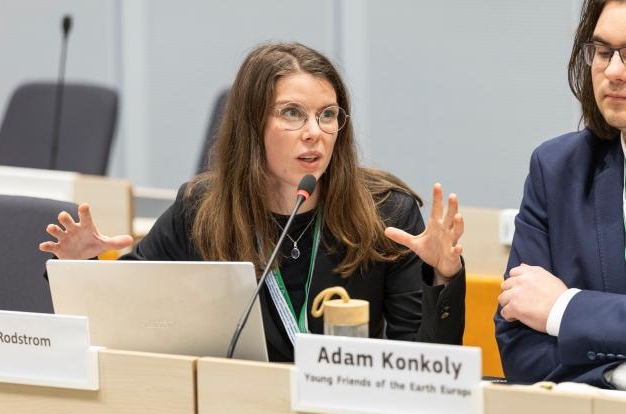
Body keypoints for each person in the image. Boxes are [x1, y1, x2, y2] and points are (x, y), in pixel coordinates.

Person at [40, 42, 466, 362]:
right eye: (292, 113)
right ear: (251, 125)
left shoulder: (386, 214)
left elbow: (424, 366)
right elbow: (126, 326)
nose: (314, 132)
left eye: (328, 115)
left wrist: (444, 278)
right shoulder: (201, 209)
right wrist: (80, 269)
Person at [496, 0, 626, 388]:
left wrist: (562, 309)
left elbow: (547, 320)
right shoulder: (557, 169)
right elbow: (519, 350)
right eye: (603, 52)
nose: (614, 71)